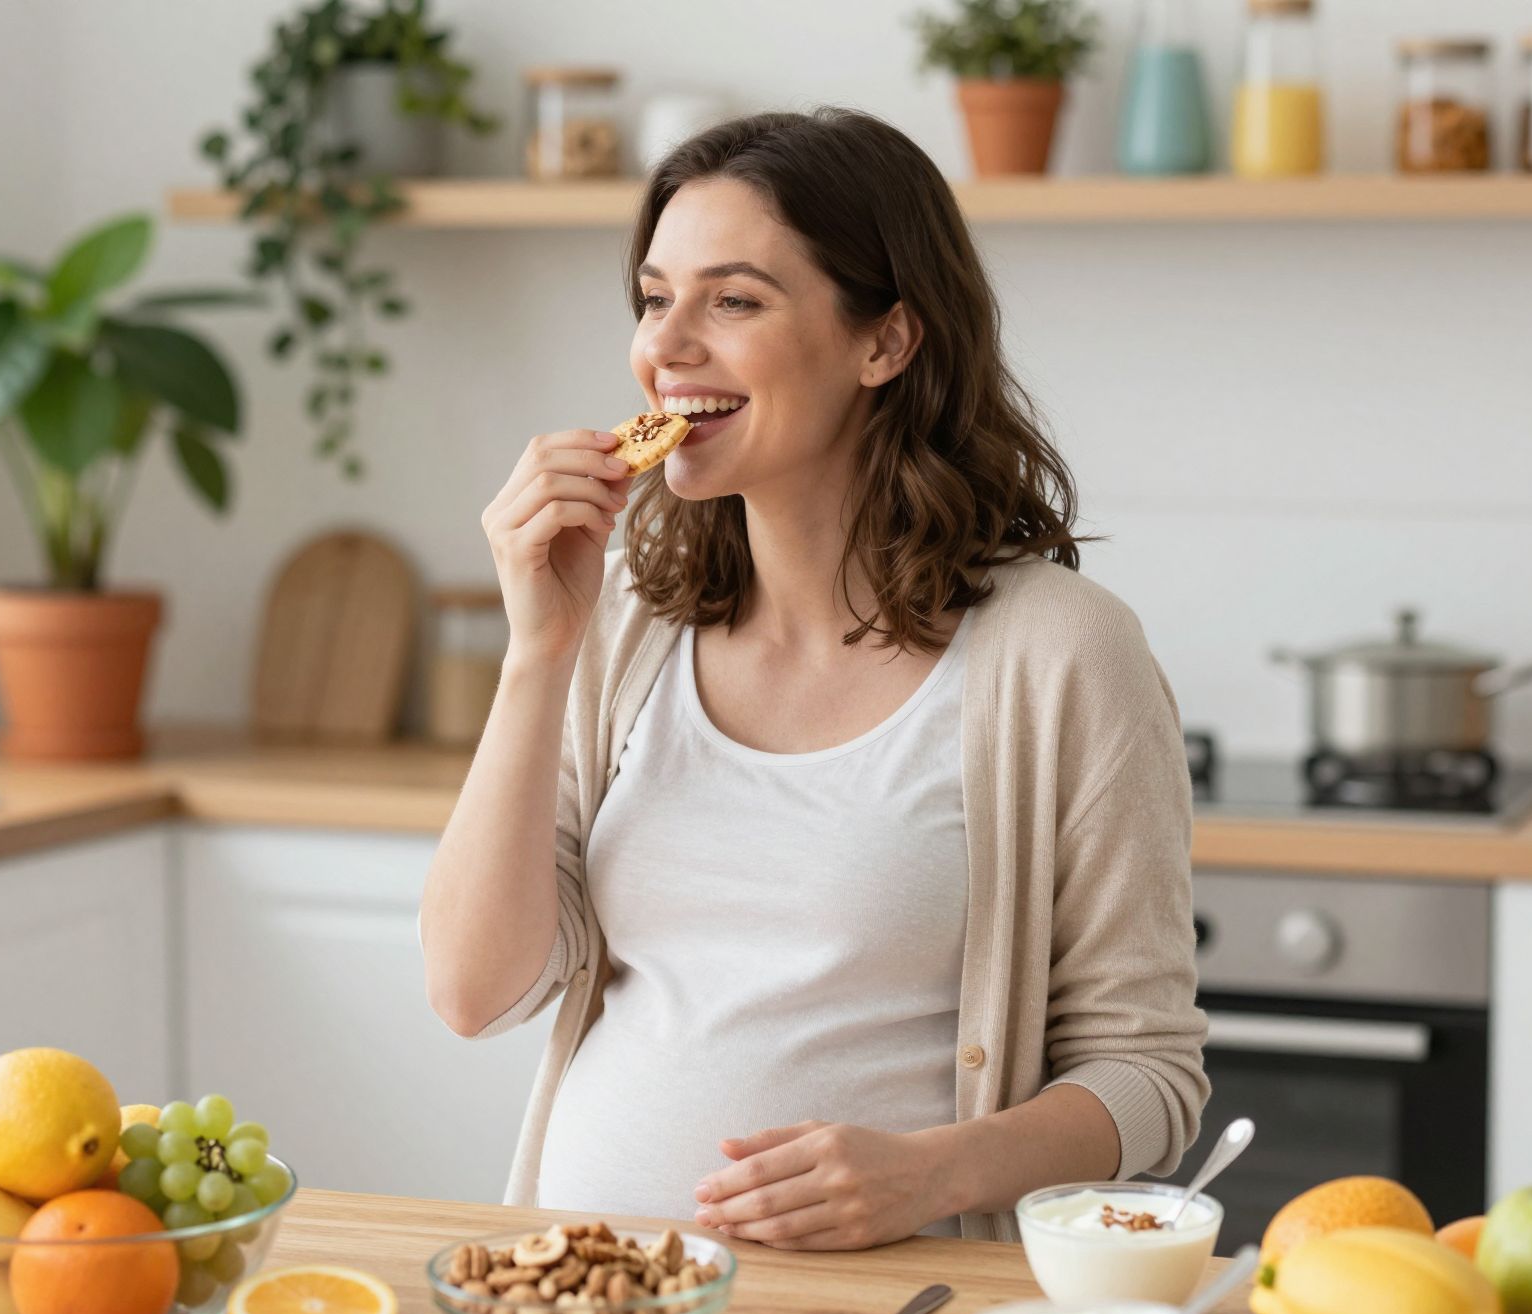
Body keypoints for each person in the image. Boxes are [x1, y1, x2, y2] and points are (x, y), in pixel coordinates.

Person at [420, 108, 1207, 1247]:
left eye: (732, 302)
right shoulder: (623, 622)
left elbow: (1149, 1077)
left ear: (884, 343)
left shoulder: (1062, 654)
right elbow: (472, 994)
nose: (664, 347)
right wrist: (536, 654)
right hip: (589, 1300)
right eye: (653, 298)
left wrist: (931, 1174)